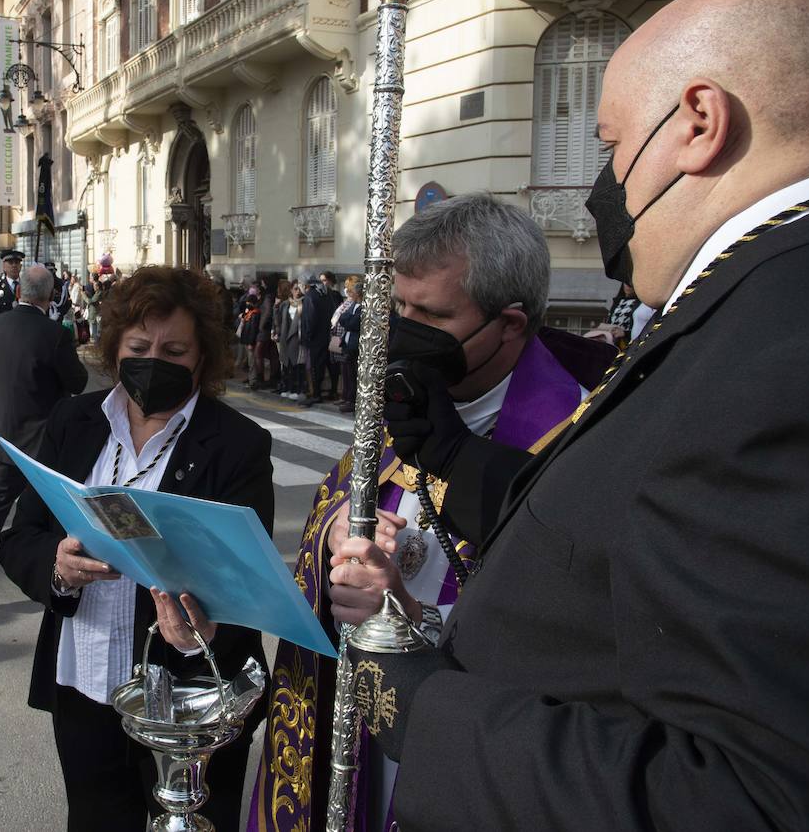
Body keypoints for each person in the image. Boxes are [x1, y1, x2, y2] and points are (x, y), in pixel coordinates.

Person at [344, 0, 809, 830]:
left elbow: (760, 796)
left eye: (612, 145)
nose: (604, 184)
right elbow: (623, 524)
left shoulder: (799, 339)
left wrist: (430, 714)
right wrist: (456, 458)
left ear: (699, 122)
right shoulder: (764, 294)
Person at [251, 193, 614, 831]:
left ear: (510, 324)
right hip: (362, 730)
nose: (403, 329)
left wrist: (412, 618)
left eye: (433, 315)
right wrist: (338, 530)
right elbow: (333, 509)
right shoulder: (404, 397)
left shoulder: (582, 439)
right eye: (399, 307)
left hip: (467, 745)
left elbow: (566, 627)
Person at [0, 265, 273, 831]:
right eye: (139, 347)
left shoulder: (238, 444)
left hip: (190, 699)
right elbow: (21, 537)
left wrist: (204, 632)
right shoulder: (75, 421)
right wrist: (56, 567)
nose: (155, 362)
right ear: (115, 348)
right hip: (84, 685)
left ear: (202, 357)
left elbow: (250, 583)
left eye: (175, 350)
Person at [0, 265, 88, 608]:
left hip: (6, 431)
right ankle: (55, 579)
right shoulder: (54, 333)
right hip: (44, 438)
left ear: (18, 292)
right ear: (50, 295)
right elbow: (78, 382)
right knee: (57, 511)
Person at [299, 271, 339, 406]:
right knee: (329, 365)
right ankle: (331, 391)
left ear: (305, 285)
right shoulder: (326, 293)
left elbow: (310, 319)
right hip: (327, 335)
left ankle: (316, 394)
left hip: (315, 337)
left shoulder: (310, 296)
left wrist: (308, 336)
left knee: (316, 367)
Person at [334, 277, 362, 413]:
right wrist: (348, 320)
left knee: (353, 374)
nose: (350, 294)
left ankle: (352, 400)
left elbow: (353, 323)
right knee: (347, 373)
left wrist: (348, 320)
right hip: (347, 343)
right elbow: (342, 317)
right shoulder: (352, 305)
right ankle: (346, 397)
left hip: (354, 345)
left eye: (352, 292)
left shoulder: (362, 307)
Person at [277, 280, 305, 400]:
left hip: (297, 337)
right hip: (285, 336)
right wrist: (277, 332)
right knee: (286, 364)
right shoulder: (285, 304)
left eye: (299, 289)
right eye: (295, 289)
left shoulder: (304, 303)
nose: (297, 291)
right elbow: (278, 319)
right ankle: (287, 387)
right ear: (291, 290)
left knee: (297, 365)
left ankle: (297, 390)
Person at [0, 249, 23, 319]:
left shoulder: (27, 286)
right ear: (4, 267)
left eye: (17, 262)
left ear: (20, 266)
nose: (14, 265)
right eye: (10, 263)